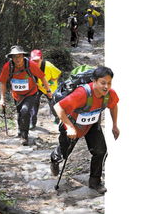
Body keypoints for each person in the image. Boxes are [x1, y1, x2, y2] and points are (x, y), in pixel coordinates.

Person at [50, 66, 120, 194]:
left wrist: (114, 125)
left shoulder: (109, 94)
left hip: (92, 125)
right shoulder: (82, 94)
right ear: (94, 81)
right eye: (103, 83)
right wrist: (70, 127)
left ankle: (95, 182)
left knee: (101, 151)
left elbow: (113, 106)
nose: (106, 86)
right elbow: (58, 107)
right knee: (65, 153)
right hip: (72, 124)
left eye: (109, 83)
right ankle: (55, 158)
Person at [0, 45, 52, 145]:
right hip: (16, 95)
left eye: (19, 56)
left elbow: (42, 77)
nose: (17, 59)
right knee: (20, 112)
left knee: (25, 110)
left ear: (23, 56)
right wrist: (2, 98)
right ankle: (20, 129)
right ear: (11, 58)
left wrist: (48, 91)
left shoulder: (30, 65)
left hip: (30, 93)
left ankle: (24, 136)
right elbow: (2, 82)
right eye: (14, 57)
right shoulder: (8, 67)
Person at [30, 49, 62, 128]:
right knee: (34, 102)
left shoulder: (48, 66)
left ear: (41, 59)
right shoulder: (29, 66)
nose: (35, 62)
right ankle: (32, 122)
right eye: (33, 60)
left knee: (53, 103)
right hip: (38, 87)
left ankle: (57, 116)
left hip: (50, 87)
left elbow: (58, 74)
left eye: (37, 60)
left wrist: (50, 82)